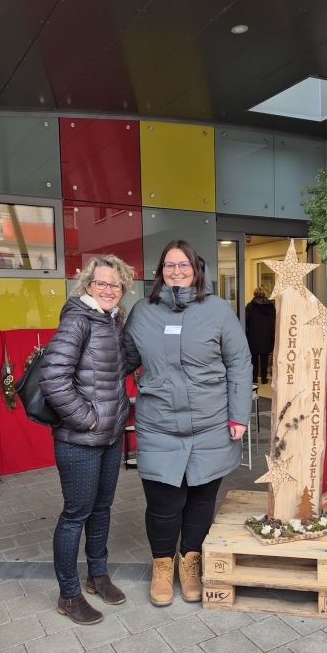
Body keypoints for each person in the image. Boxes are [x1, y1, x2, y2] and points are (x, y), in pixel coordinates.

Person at [124, 239, 252, 607]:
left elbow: (239, 364)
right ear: (159, 271)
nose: (176, 271)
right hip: (158, 422)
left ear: (197, 270)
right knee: (163, 500)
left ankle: (191, 562)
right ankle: (163, 565)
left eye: (183, 265)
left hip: (210, 422)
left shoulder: (218, 311)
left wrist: (238, 415)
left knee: (200, 498)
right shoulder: (142, 312)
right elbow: (126, 358)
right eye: (169, 265)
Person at [39, 255, 134, 625]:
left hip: (108, 437)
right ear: (88, 286)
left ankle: (97, 575)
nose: (109, 290)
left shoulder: (110, 321)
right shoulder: (79, 318)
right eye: (102, 284)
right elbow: (53, 378)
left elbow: (113, 370)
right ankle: (69, 594)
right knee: (75, 514)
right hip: (81, 438)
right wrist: (88, 420)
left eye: (115, 285)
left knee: (102, 507)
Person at [245, 286, 276, 384]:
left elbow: (245, 321)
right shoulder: (271, 306)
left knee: (253, 358)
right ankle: (263, 378)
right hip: (267, 335)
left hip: (253, 335)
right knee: (265, 357)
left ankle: (254, 378)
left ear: (254, 295)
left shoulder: (250, 306)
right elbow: (274, 320)